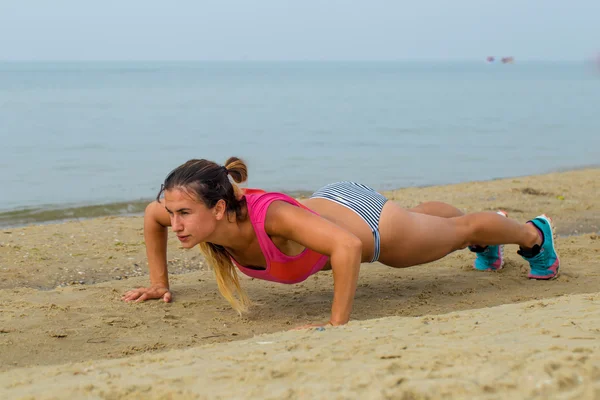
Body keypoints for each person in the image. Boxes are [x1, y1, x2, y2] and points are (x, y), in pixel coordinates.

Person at [122, 157, 560, 327]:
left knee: (453, 234)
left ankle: (533, 235)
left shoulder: (272, 218)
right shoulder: (195, 214)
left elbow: (347, 247)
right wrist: (159, 282)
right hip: (330, 207)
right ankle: (478, 233)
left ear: (217, 209)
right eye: (173, 212)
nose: (175, 223)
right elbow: (150, 215)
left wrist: (337, 327)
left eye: (183, 214)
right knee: (430, 226)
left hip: (366, 226)